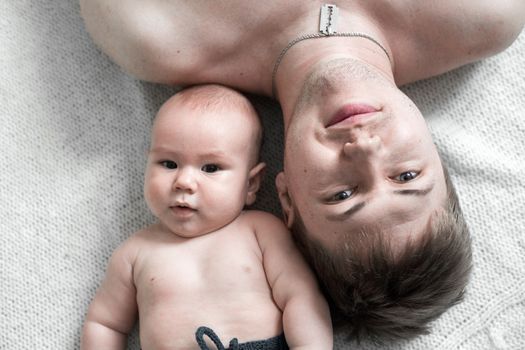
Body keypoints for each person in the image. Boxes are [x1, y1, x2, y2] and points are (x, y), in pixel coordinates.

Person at [80, 0, 525, 342]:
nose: (364, 147)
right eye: (407, 176)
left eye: (342, 195)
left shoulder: (155, 32)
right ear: (439, 160)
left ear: (286, 196)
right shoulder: (484, 14)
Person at [80, 85, 333, 349]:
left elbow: (300, 295)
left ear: (251, 185)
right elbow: (104, 323)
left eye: (210, 168)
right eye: (168, 164)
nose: (184, 181)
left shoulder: (261, 231)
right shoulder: (134, 253)